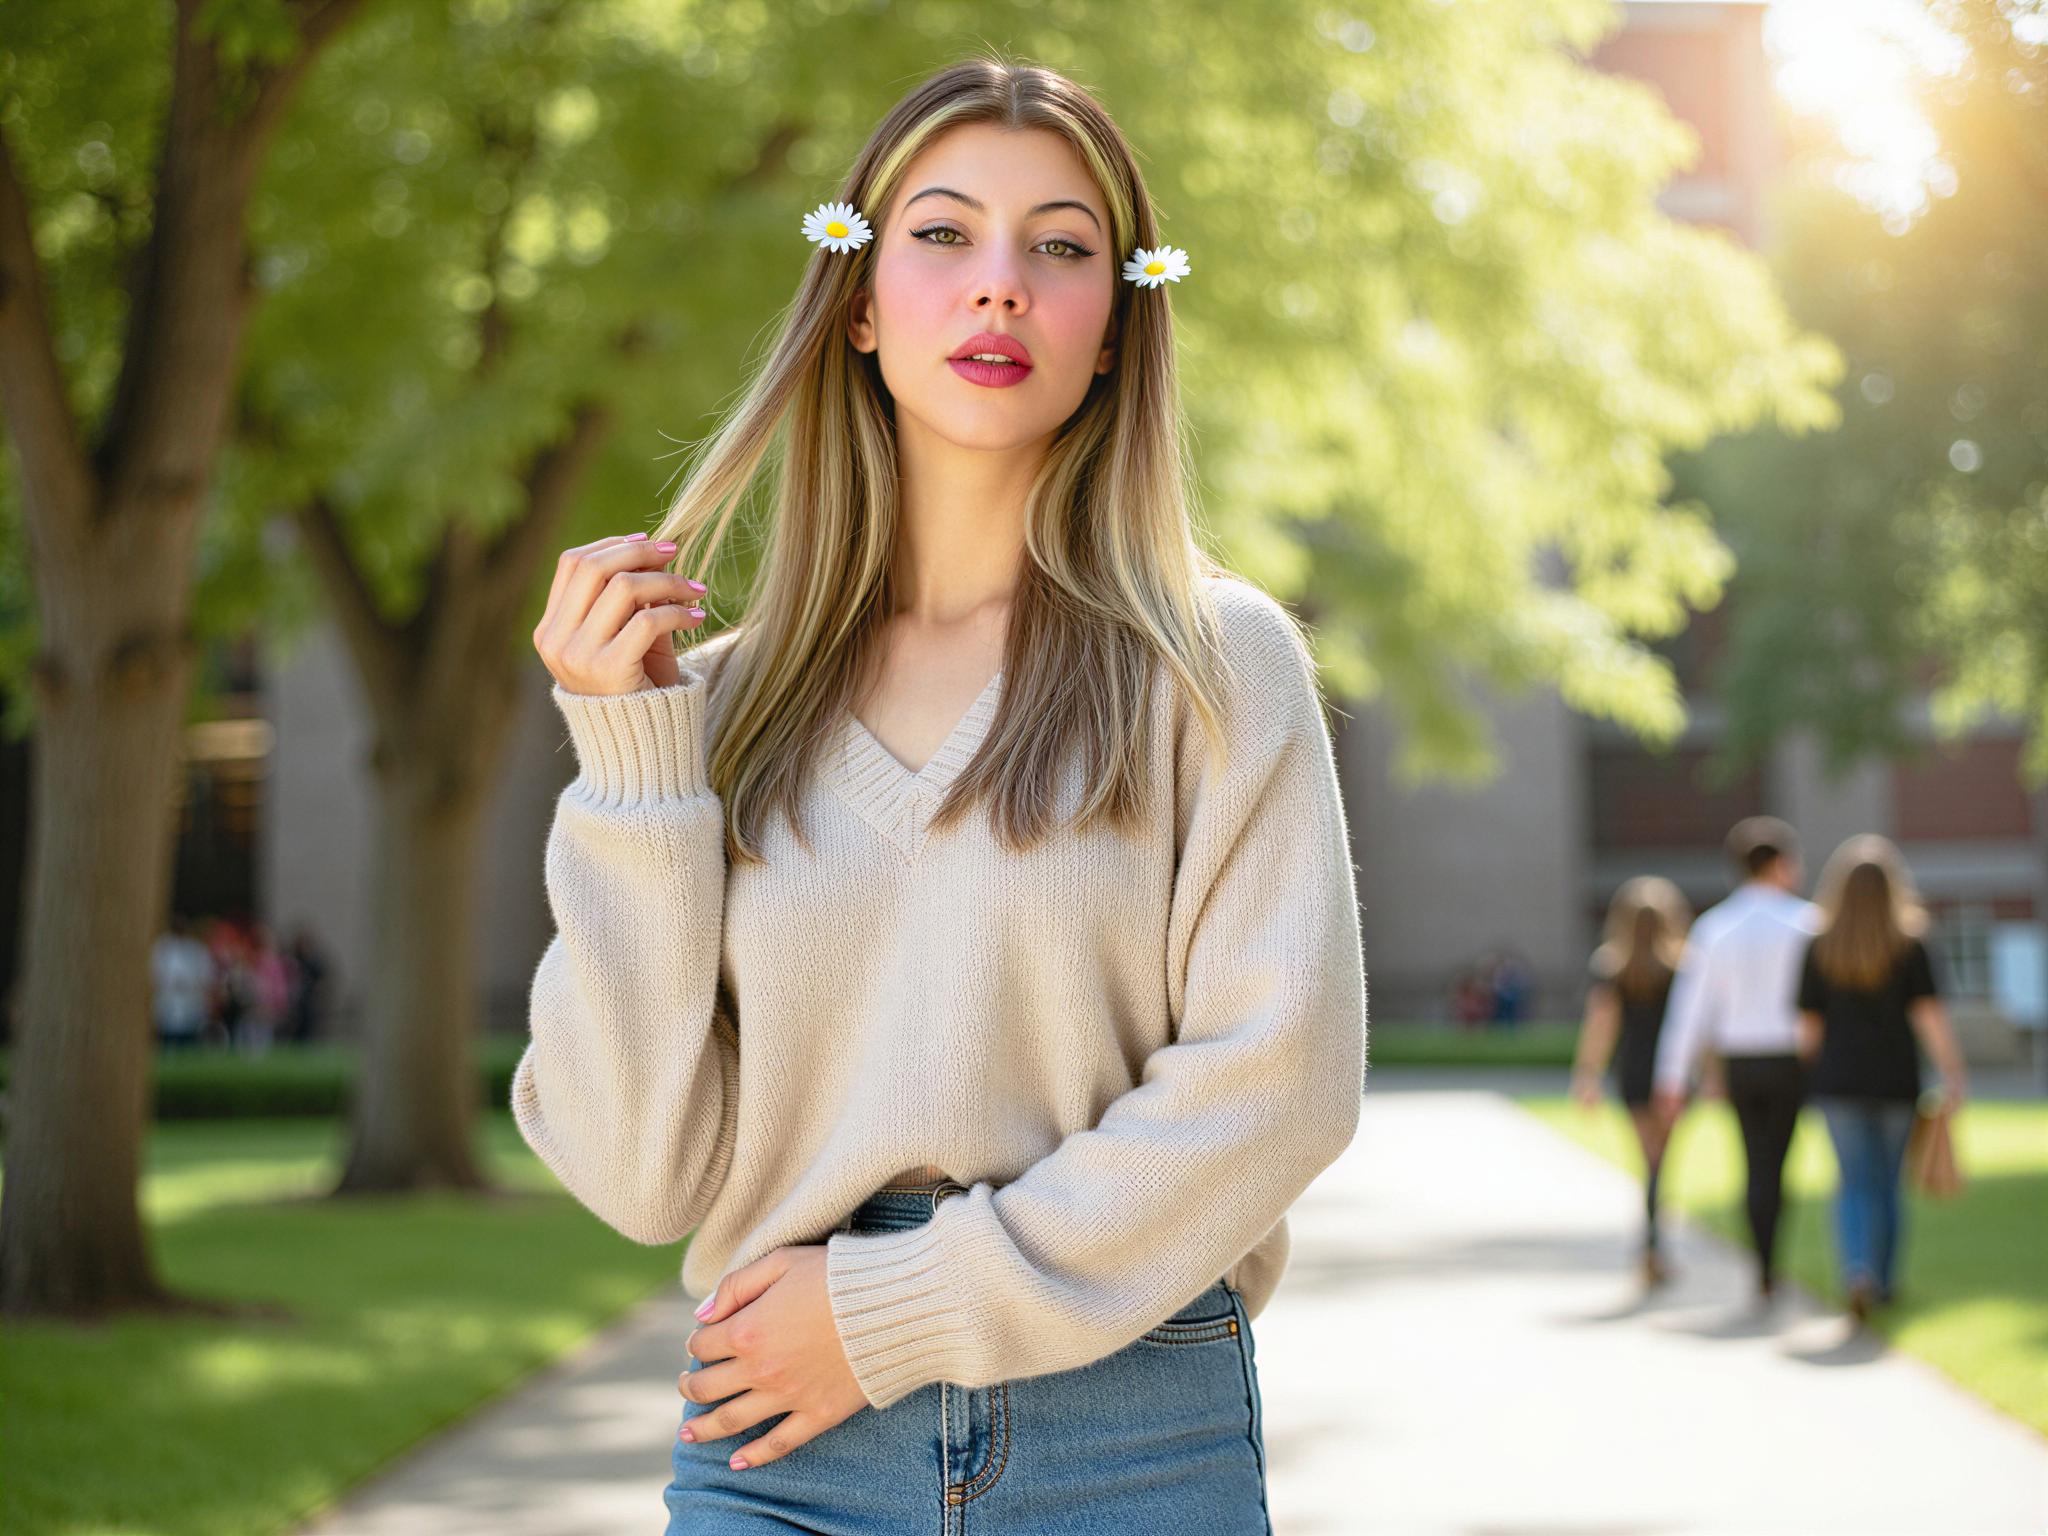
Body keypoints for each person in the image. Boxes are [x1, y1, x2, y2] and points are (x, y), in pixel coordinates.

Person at [517, 59, 1367, 1534]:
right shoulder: (712, 707)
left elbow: (1281, 1080)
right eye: (942, 234)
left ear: (1114, 327)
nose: (1000, 289)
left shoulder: (1215, 665)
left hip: (1127, 1438)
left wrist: (889, 1314)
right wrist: (630, 766)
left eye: (1060, 248)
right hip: (778, 1455)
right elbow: (639, 1171)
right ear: (856, 300)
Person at [1798, 836, 1969, 1323]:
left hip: (1838, 1082)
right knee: (1889, 1185)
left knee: (1853, 1182)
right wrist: (1954, 1074)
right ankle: (1885, 1282)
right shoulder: (1911, 943)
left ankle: (1857, 1271)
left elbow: (1809, 1029)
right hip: (1896, 1080)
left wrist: (1806, 1070)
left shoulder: (1819, 945)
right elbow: (1930, 1018)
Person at [1653, 816, 1821, 1305]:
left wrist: (1672, 1077)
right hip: (1791, 1058)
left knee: (1754, 1161)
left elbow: (1690, 1013)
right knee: (1779, 1163)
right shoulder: (1808, 922)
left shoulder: (1714, 928)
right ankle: (1771, 1263)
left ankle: (1761, 1266)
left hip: (1741, 1062)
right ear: (1781, 864)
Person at [1571, 876, 1692, 1285]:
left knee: (1648, 1161)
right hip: (1672, 1075)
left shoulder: (1612, 966)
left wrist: (1588, 1075)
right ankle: (1655, 1246)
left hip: (1636, 1074)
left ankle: (1651, 1246)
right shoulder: (1683, 966)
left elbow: (1600, 1026)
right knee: (1662, 1162)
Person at [150, 918, 215, 1050]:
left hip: (190, 1001)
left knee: (189, 1037)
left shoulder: (195, 948)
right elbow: (156, 973)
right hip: (169, 1000)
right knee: (168, 1036)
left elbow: (205, 974)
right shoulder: (163, 946)